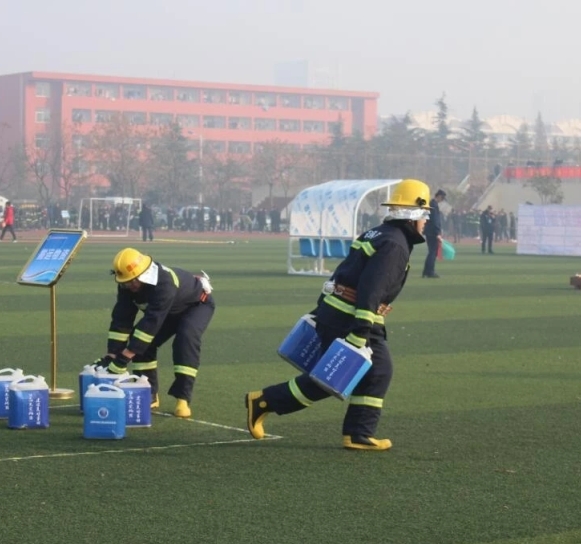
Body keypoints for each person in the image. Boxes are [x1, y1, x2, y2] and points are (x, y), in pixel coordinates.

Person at [245, 179, 432, 451]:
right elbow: (371, 289)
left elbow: (343, 274)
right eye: (425, 215)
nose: (426, 222)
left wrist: (321, 308)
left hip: (337, 312)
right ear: (413, 214)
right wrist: (360, 332)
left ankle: (356, 433)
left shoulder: (378, 234)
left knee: (368, 372)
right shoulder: (395, 244)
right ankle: (266, 401)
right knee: (344, 376)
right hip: (351, 318)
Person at [93, 248, 215, 419]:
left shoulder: (164, 282)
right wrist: (113, 354)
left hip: (196, 306)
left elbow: (151, 322)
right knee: (142, 343)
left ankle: (183, 399)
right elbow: (121, 319)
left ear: (143, 274)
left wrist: (124, 358)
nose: (129, 286)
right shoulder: (126, 285)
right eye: (125, 282)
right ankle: (148, 393)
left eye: (132, 281)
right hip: (167, 312)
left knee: (185, 339)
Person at [422, 189, 445, 278]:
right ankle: (430, 272)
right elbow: (435, 220)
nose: (441, 200)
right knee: (433, 252)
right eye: (442, 198)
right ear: (439, 196)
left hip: (429, 231)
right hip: (432, 232)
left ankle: (426, 271)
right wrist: (437, 233)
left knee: (431, 252)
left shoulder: (431, 204)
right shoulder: (434, 205)